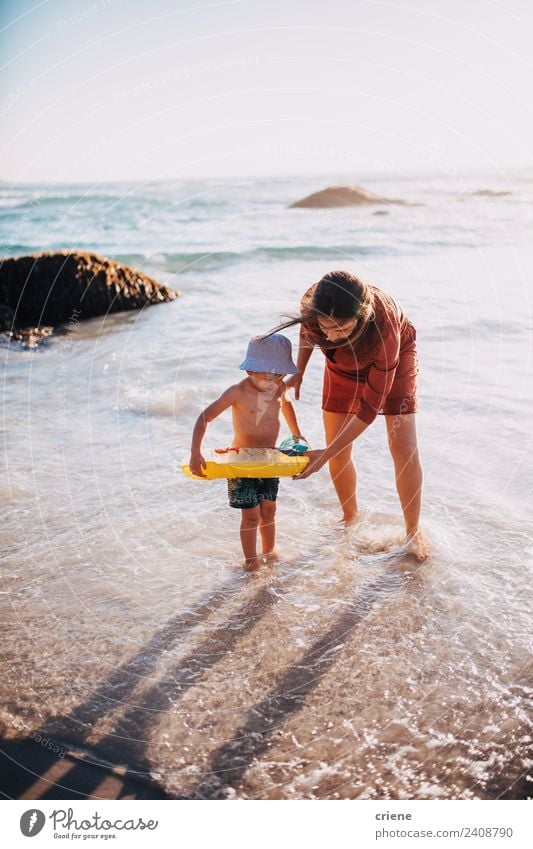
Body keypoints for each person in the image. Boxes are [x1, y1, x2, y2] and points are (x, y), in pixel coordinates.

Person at [278, 270, 430, 561]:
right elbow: (308, 331)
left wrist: (322, 455)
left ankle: (413, 532)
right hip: (341, 365)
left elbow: (368, 410)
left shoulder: (385, 333)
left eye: (341, 329)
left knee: (404, 449)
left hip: (394, 363)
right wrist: (299, 371)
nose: (331, 336)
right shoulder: (316, 305)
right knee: (337, 448)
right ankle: (349, 519)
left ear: (362, 315)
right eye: (326, 327)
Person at [189, 334, 306, 571]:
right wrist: (195, 452)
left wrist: (297, 434)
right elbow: (205, 417)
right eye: (269, 374)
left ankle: (270, 553)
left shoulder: (279, 387)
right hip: (242, 463)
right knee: (251, 516)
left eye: (280, 374)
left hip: (268, 460)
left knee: (270, 510)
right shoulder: (237, 392)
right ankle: (251, 562)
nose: (275, 379)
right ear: (250, 370)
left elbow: (286, 405)